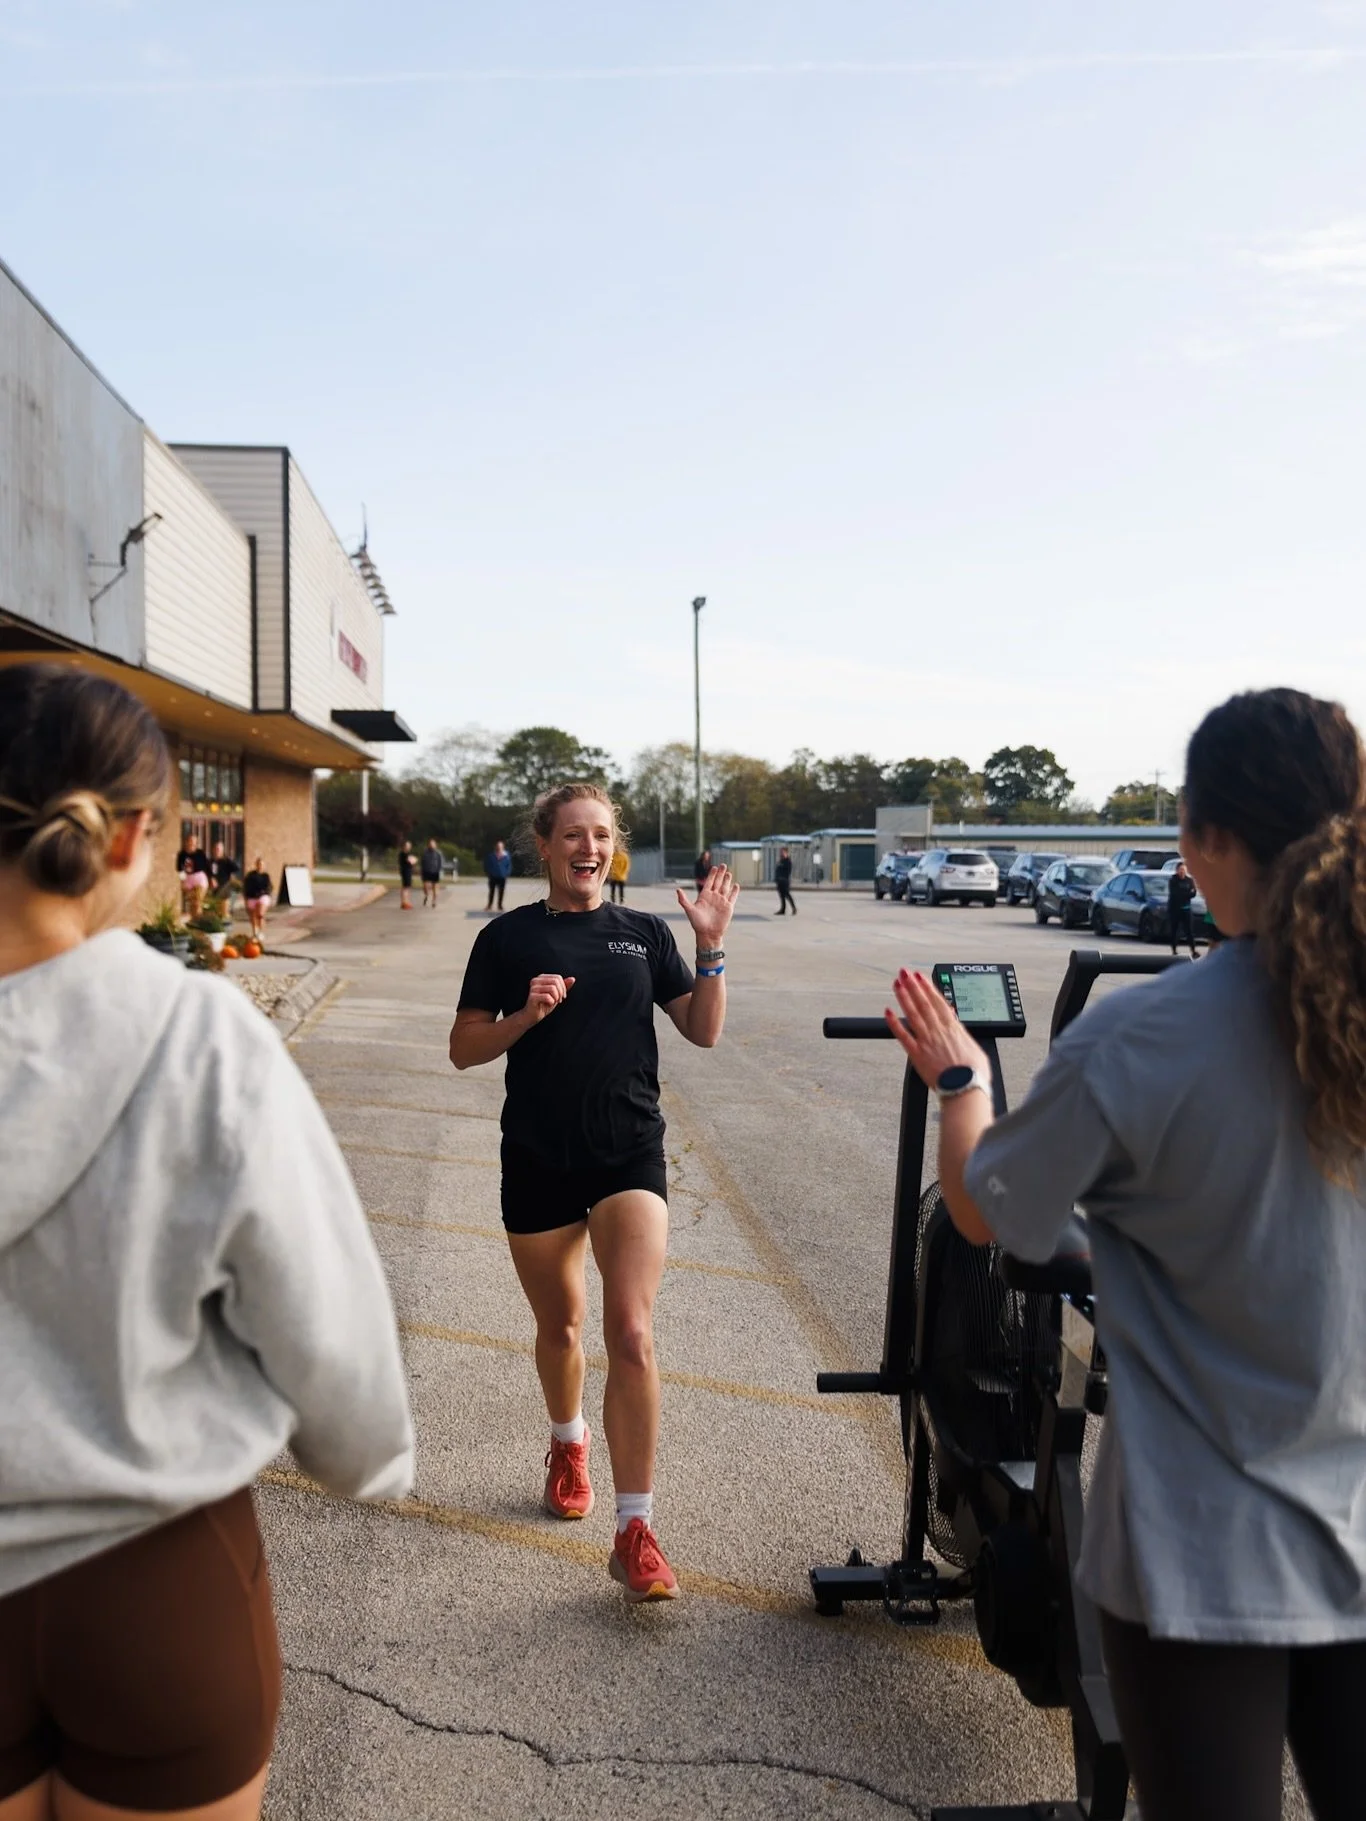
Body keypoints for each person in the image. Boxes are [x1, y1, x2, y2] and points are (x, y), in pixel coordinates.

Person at [883, 686, 1366, 1821]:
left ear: (1201, 840)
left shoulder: (1140, 1036)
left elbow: (989, 1214)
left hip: (1198, 1556)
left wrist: (962, 1086)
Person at [0, 663, 413, 1821]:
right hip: (155, 1577)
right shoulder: (195, 1034)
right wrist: (365, 1460)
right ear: (136, 838)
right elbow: (324, 1325)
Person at [450, 783, 738, 1603]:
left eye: (601, 835)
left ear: (613, 849)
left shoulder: (643, 934)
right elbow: (463, 1047)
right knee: (563, 1324)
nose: (587, 846)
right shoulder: (505, 938)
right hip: (538, 1157)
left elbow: (704, 1028)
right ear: (542, 845)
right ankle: (568, 1441)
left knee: (633, 1331)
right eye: (571, 833)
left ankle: (635, 1528)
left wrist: (710, 947)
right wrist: (523, 1019)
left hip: (628, 1155)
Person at [1167, 858, 1198, 957]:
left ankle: (1193, 951)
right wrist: (1187, 893)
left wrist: (1187, 894)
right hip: (1175, 909)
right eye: (1180, 869)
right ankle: (1174, 949)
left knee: (1189, 931)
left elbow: (1194, 893)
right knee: (1175, 930)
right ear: (1177, 870)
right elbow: (1176, 894)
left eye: (1184, 870)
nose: (1182, 872)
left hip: (1186, 909)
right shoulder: (1173, 880)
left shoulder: (1189, 880)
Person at [176, 837, 210, 918]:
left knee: (198, 901)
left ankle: (199, 919)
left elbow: (207, 866)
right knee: (192, 903)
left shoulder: (200, 853)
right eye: (190, 841)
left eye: (194, 842)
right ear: (186, 842)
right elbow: (179, 868)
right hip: (188, 879)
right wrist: (182, 880)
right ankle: (194, 919)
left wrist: (211, 878)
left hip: (199, 878)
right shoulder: (182, 854)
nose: (192, 844)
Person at [242, 855, 272, 942]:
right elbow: (246, 887)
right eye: (259, 864)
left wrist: (262, 893)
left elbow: (268, 888)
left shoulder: (266, 876)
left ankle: (261, 932)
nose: (260, 866)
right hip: (252, 897)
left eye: (262, 864)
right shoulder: (250, 876)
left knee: (260, 914)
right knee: (252, 916)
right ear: (256, 865)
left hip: (262, 897)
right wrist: (246, 898)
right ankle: (255, 932)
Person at [209, 840, 238, 909]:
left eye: (219, 849)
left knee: (224, 909)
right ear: (213, 850)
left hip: (225, 888)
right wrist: (211, 878)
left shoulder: (226, 861)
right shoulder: (210, 861)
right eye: (216, 849)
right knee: (215, 910)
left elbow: (236, 868)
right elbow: (206, 872)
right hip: (214, 889)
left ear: (222, 851)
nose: (217, 851)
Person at [485, 838, 511, 912]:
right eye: (498, 847)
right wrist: (489, 873)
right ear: (496, 847)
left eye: (500, 847)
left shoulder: (506, 856)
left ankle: (500, 906)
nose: (499, 848)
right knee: (491, 892)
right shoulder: (491, 855)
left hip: (502, 877)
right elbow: (487, 865)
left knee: (501, 892)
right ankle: (489, 905)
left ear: (502, 847)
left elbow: (509, 866)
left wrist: (507, 873)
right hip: (493, 877)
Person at [420, 837, 443, 908]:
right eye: (430, 844)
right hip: (426, 872)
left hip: (435, 872)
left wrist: (439, 871)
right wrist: (421, 872)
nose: (432, 845)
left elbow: (440, 863)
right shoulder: (425, 853)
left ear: (436, 845)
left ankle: (434, 901)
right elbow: (422, 863)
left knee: (435, 888)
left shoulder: (438, 853)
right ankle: (426, 895)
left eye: (433, 844)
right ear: (428, 845)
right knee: (426, 887)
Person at [774, 846, 796, 916]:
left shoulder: (788, 861)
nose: (781, 853)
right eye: (781, 852)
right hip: (779, 881)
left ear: (786, 852)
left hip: (784, 881)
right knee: (781, 896)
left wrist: (783, 878)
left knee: (787, 895)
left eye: (782, 852)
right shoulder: (781, 861)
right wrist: (776, 878)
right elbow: (777, 870)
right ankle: (783, 909)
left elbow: (788, 871)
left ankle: (794, 908)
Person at [397, 839, 415, 911]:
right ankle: (405, 902)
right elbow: (412, 861)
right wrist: (413, 860)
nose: (409, 847)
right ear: (404, 846)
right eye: (408, 846)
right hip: (406, 871)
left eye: (410, 846)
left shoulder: (403, 854)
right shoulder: (404, 854)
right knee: (406, 887)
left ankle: (404, 902)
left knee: (406, 887)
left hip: (406, 871)